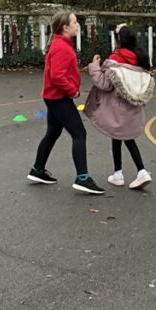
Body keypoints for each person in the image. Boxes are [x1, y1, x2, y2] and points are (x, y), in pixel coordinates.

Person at [27, 11, 104, 194]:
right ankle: (83, 178)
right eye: (75, 22)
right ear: (65, 27)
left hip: (54, 97)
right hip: (58, 98)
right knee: (79, 134)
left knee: (53, 132)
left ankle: (38, 169)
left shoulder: (61, 44)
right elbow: (57, 76)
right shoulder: (61, 47)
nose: (78, 25)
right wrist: (73, 90)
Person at [85, 24, 154, 189]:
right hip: (134, 107)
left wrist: (94, 66)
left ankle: (138, 171)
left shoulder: (114, 60)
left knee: (120, 137)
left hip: (117, 108)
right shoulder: (141, 58)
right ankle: (120, 173)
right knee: (123, 138)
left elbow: (105, 84)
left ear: (118, 40)